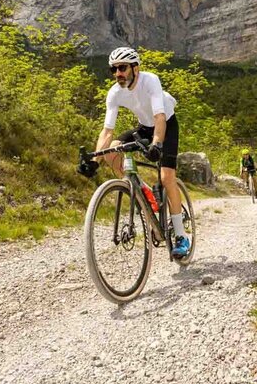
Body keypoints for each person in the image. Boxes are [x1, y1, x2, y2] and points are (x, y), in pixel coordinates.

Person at [77, 47, 191, 258]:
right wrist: (95, 159)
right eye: (114, 69)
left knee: (167, 177)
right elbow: (107, 131)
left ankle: (181, 236)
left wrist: (156, 144)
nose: (117, 73)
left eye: (122, 68)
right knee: (111, 153)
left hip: (166, 124)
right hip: (143, 127)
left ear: (135, 68)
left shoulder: (150, 81)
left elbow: (159, 117)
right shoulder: (114, 92)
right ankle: (144, 191)